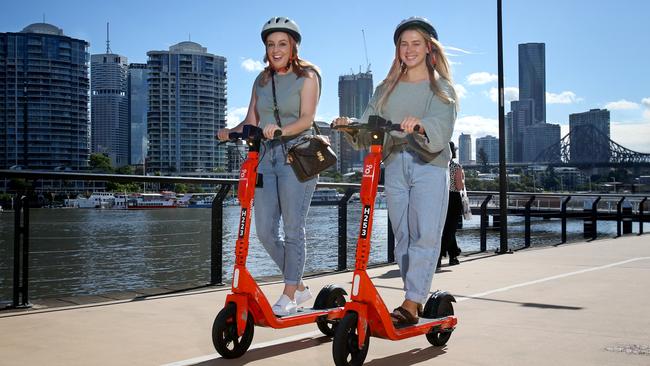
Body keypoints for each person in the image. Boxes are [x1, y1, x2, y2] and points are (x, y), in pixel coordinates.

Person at [333, 16, 457, 325]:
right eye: (404, 43)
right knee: (403, 237)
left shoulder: (441, 88)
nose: (409, 49)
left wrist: (421, 125)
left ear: (429, 47)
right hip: (395, 164)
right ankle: (413, 295)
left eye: (416, 43)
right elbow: (367, 128)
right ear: (397, 49)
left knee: (425, 235)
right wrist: (350, 126)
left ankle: (412, 302)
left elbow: (441, 127)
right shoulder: (385, 89)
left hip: (429, 165)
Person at [217, 16, 320, 316]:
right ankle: (299, 285)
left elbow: (307, 119)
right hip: (266, 157)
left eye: (282, 44)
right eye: (271, 44)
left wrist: (280, 130)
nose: (276, 50)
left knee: (293, 228)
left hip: (296, 156)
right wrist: (231, 131)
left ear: (293, 47)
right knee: (263, 231)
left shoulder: (309, 76)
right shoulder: (261, 80)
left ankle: (289, 292)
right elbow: (252, 121)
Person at [439, 141, 463, 267]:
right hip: (453, 198)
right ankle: (443, 254)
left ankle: (452, 255)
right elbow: (459, 187)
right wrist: (462, 180)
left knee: (443, 228)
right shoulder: (456, 167)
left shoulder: (437, 167)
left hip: (439, 198)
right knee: (451, 228)